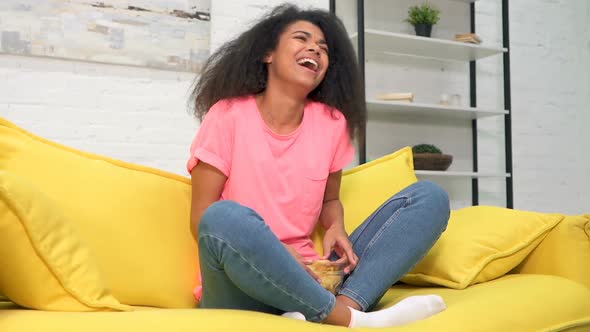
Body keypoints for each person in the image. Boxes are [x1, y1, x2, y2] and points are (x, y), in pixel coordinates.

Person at [186, 4, 450, 328]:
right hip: (240, 288)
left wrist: (336, 227)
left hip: (311, 279)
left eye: (323, 48)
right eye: (302, 38)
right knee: (222, 217)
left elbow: (329, 200)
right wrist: (278, 257)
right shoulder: (227, 115)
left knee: (429, 198)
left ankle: (338, 307)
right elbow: (201, 218)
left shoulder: (331, 124)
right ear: (268, 54)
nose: (315, 48)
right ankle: (352, 320)